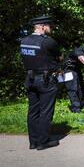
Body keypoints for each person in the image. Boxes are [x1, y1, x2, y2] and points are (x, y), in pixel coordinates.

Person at [19, 16, 62, 150]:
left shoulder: (24, 40)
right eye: (50, 26)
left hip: (30, 79)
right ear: (43, 26)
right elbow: (60, 57)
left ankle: (33, 141)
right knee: (46, 111)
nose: (51, 28)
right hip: (45, 80)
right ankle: (43, 142)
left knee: (33, 111)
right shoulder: (48, 42)